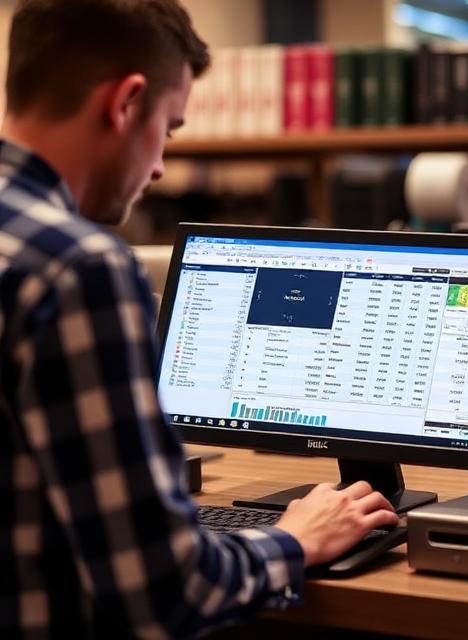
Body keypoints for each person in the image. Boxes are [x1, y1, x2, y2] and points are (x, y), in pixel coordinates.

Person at [0, 1, 399, 638]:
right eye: (169, 127)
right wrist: (296, 541)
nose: (159, 167)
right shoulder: (77, 269)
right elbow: (164, 590)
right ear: (126, 103)